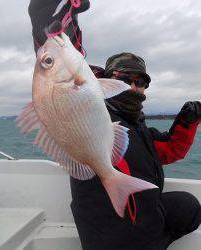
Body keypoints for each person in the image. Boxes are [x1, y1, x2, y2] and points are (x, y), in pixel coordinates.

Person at [28, 1, 201, 249]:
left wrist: (187, 121)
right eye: (124, 79)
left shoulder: (140, 129)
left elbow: (171, 149)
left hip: (149, 228)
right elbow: (57, 48)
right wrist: (57, 16)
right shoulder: (90, 106)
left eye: (140, 81)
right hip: (112, 239)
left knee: (189, 207)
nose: (134, 86)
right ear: (107, 81)